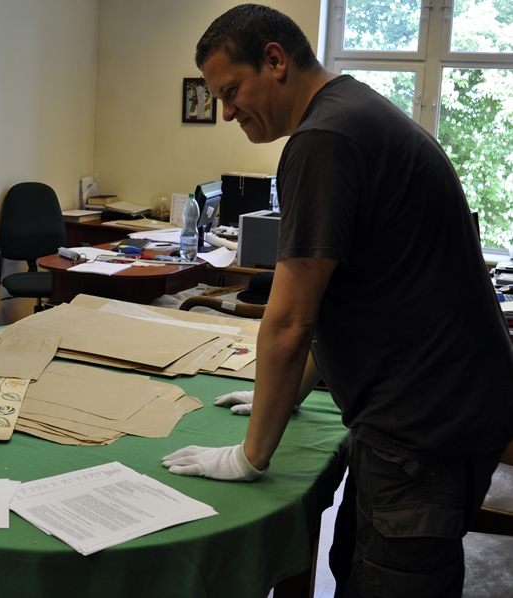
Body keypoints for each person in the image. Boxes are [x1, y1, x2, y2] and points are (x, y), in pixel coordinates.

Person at [162, 5, 513, 596]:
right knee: (353, 562)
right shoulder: (351, 111)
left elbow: (291, 321)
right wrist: (279, 397)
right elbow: (341, 303)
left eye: (231, 91)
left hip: (423, 429)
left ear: (275, 60)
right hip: (441, 409)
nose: (226, 112)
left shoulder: (322, 140)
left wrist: (249, 456)